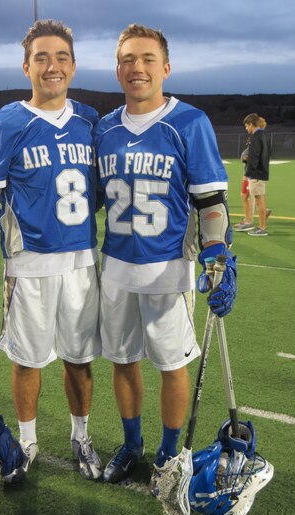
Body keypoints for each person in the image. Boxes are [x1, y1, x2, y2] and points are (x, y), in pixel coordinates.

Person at [94, 24, 237, 490]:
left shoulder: (190, 122)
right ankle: (132, 443)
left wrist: (218, 258)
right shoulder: (104, 128)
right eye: (128, 60)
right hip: (115, 269)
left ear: (166, 67)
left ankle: (168, 452)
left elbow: (210, 202)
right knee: (121, 360)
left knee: (171, 365)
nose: (137, 68)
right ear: (118, 70)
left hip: (168, 271)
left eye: (147, 59)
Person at [0, 19, 102, 483]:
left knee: (79, 360)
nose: (52, 66)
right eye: (41, 58)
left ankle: (81, 436)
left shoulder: (90, 120)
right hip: (30, 265)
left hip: (83, 262)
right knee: (28, 360)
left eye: (61, 57)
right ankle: (27, 441)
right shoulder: (5, 124)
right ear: (27, 67)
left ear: (73, 65)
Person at [234, 118, 271, 233]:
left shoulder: (256, 136)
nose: (246, 128)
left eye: (246, 126)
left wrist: (247, 173)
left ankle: (262, 228)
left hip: (256, 173)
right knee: (247, 196)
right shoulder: (263, 135)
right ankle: (249, 221)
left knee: (259, 199)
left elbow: (254, 157)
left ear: (251, 124)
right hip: (259, 171)